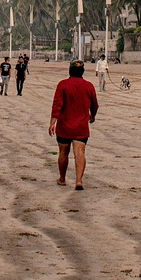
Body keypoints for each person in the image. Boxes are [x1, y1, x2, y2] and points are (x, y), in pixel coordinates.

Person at [49, 61, 99, 191]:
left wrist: (52, 122)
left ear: (70, 70)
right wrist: (92, 116)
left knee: (63, 152)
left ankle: (62, 179)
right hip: (81, 126)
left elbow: (57, 105)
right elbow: (94, 105)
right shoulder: (89, 86)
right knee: (80, 153)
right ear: (82, 71)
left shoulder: (63, 85)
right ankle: (78, 181)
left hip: (64, 126)